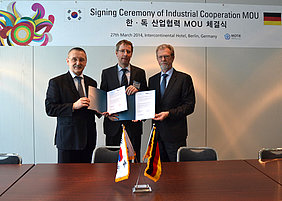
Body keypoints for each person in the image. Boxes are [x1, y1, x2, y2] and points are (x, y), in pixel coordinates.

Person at [45, 47, 100, 163]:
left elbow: (92, 107)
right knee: (65, 179)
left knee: (87, 178)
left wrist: (101, 110)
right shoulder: (56, 82)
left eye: (81, 60)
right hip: (68, 140)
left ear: (86, 62)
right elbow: (50, 109)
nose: (78, 63)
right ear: (68, 61)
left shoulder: (92, 82)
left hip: (88, 140)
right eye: (74, 59)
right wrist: (73, 106)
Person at [100, 40, 147, 162]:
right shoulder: (106, 73)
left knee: (134, 161)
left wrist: (138, 90)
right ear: (116, 53)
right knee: (112, 162)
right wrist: (106, 114)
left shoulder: (140, 73)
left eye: (128, 51)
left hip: (134, 125)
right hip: (113, 124)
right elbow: (102, 98)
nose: (125, 54)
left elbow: (146, 96)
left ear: (131, 54)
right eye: (122, 51)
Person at [148, 44, 196, 162]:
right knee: (159, 173)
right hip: (157, 136)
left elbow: (189, 106)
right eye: (160, 57)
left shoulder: (184, 79)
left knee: (177, 173)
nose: (163, 60)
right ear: (157, 59)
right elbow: (148, 104)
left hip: (175, 136)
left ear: (173, 57)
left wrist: (169, 113)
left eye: (166, 56)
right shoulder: (152, 80)